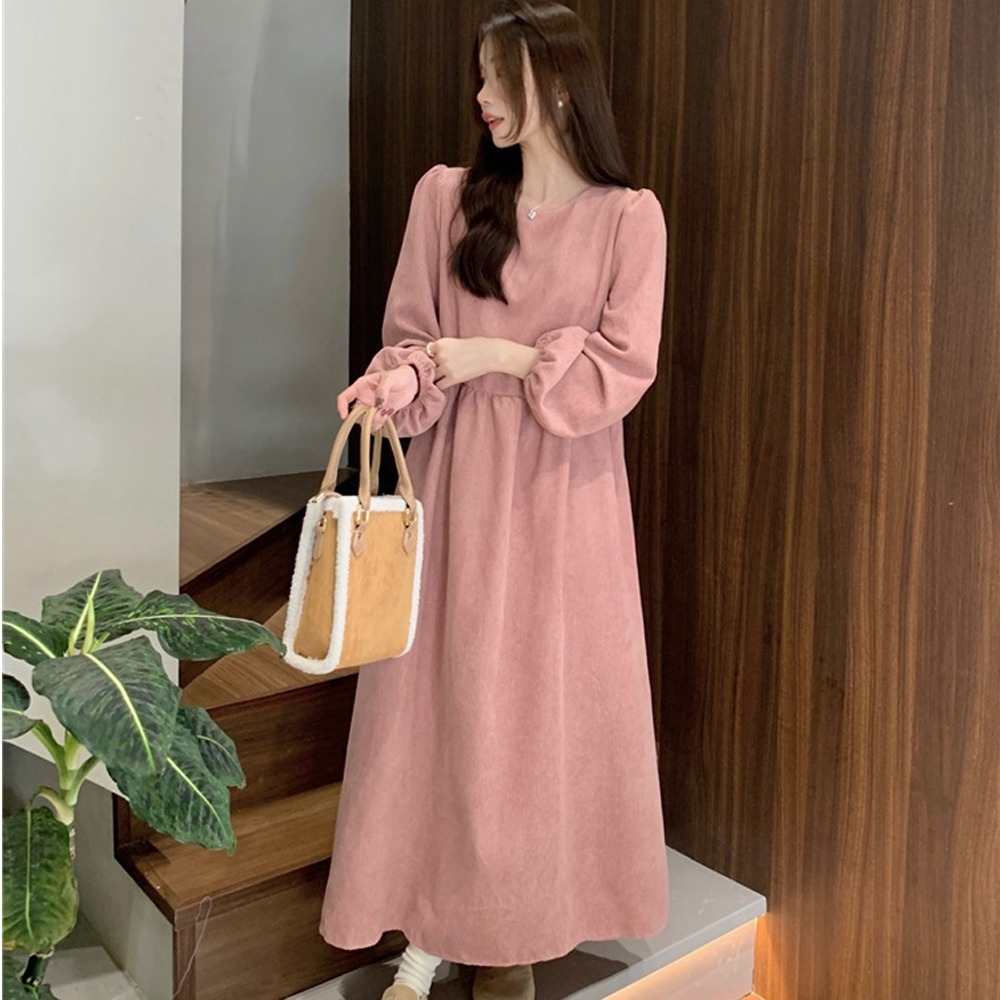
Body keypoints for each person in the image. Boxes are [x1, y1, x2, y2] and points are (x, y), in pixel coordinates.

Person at [320, 3, 668, 998]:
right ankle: (432, 928)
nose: (479, 98)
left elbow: (622, 365)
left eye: (496, 77)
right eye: (478, 77)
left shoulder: (628, 218)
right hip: (458, 488)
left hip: (566, 504)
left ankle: (507, 939)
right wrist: (395, 383)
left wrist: (503, 357)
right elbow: (412, 338)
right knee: (443, 707)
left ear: (554, 85)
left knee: (536, 718)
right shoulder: (446, 197)